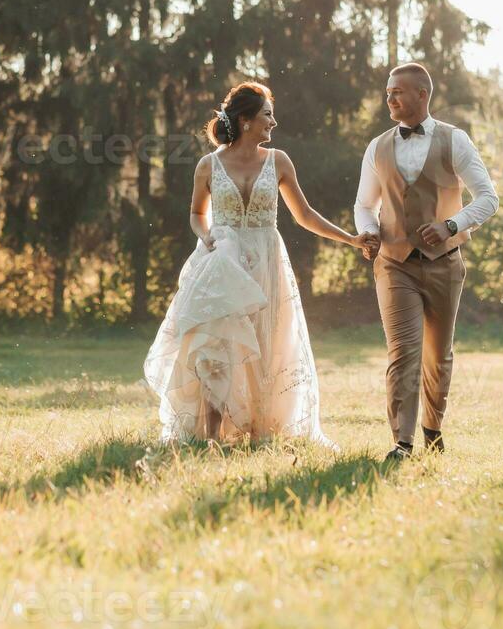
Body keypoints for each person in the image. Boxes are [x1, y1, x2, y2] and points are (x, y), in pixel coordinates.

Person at [144, 81, 373, 446]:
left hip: (266, 260)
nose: (273, 121)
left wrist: (351, 239)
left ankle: (259, 430)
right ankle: (213, 437)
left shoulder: (278, 161)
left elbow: (305, 215)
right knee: (218, 345)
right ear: (247, 120)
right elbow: (196, 214)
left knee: (265, 344)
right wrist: (208, 238)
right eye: (267, 114)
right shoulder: (208, 165)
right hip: (222, 260)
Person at [354, 63, 499, 462]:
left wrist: (452, 224)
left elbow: (488, 198)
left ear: (422, 94)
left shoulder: (455, 140)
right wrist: (367, 231)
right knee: (403, 351)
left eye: (397, 92)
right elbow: (365, 205)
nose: (390, 99)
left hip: (444, 263)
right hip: (393, 262)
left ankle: (433, 429)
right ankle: (402, 442)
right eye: (387, 93)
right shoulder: (377, 146)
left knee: (438, 354)